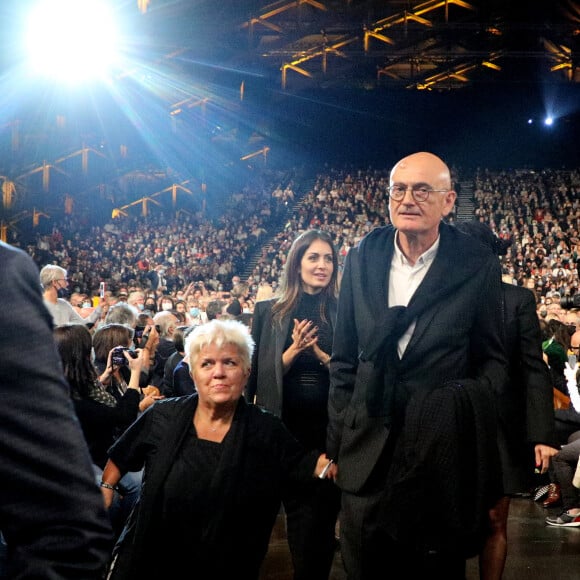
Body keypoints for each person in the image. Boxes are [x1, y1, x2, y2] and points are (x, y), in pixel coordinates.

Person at [327, 151, 508, 578]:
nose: (407, 199)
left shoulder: (476, 263)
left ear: (448, 202)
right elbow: (343, 359)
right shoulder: (361, 255)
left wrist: (457, 414)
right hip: (366, 455)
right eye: (398, 189)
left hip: (438, 462)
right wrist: (339, 441)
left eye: (422, 190)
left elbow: (494, 362)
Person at [100, 319, 334, 579]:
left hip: (226, 564)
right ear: (192, 373)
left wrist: (331, 466)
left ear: (246, 372)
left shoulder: (266, 428)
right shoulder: (163, 416)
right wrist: (107, 487)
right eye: (207, 363)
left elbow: (300, 466)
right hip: (152, 558)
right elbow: (121, 456)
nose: (218, 373)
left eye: (230, 363)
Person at [0, 241, 112, 577]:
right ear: (53, 280)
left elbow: (68, 532)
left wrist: (99, 312)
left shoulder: (53, 300)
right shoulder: (10, 276)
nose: (66, 283)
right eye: (62, 279)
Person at [456, 220, 558, 580]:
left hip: (500, 426)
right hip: (450, 423)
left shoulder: (517, 299)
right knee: (448, 519)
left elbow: (533, 368)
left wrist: (543, 435)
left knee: (496, 520)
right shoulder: (437, 298)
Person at [246, 229, 341, 580]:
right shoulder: (268, 312)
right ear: (296, 263)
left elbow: (352, 373)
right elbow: (256, 379)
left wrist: (321, 356)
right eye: (313, 257)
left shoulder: (344, 310)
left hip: (328, 435)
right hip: (282, 434)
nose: (322, 265)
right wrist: (294, 351)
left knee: (315, 533)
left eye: (328, 258)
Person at [53, 323, 145, 538]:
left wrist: (105, 375)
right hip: (80, 461)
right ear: (82, 356)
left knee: (140, 479)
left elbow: (88, 392)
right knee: (130, 489)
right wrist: (135, 375)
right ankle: (115, 541)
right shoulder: (67, 399)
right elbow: (123, 417)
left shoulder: (65, 381)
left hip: (93, 452)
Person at [40, 264, 105, 327]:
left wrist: (99, 307)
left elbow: (84, 325)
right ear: (54, 282)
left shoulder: (64, 304)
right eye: (64, 280)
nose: (67, 284)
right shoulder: (38, 306)